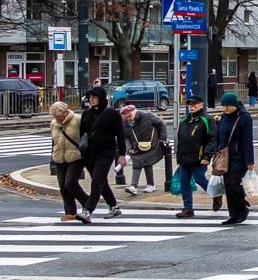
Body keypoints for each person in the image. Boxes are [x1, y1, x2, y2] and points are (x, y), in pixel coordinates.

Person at [75, 86, 124, 222]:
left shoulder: (112, 114)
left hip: (106, 152)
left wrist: (122, 154)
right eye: (90, 97)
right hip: (89, 153)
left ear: (102, 98)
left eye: (94, 97)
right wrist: (82, 152)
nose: (92, 99)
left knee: (97, 181)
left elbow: (120, 135)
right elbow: (82, 134)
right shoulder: (86, 114)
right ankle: (114, 206)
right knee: (101, 181)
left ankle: (88, 211)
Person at [211, 91, 254, 225]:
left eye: (228, 106)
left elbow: (247, 141)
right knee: (228, 186)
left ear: (235, 105)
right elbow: (220, 137)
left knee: (232, 183)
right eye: (224, 106)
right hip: (225, 158)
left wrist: (250, 161)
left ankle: (242, 207)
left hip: (238, 157)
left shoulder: (244, 117)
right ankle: (234, 214)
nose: (226, 108)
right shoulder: (224, 117)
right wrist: (217, 151)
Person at [172, 94, 214, 218]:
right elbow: (181, 140)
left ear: (201, 105)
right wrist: (179, 157)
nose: (192, 107)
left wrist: (207, 156)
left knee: (200, 179)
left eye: (194, 104)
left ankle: (215, 195)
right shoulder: (184, 121)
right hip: (185, 159)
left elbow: (212, 139)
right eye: (190, 105)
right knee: (184, 182)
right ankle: (188, 208)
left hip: (198, 158)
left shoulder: (206, 120)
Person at [48, 101, 85, 222]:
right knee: (63, 185)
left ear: (65, 112)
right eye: (54, 117)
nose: (56, 119)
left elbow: (86, 137)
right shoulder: (54, 123)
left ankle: (88, 203)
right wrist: (52, 155)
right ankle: (70, 212)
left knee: (70, 182)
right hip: (60, 157)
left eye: (58, 116)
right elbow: (54, 141)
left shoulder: (77, 120)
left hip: (76, 156)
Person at [122, 102, 169, 194]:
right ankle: (147, 185)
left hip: (152, 144)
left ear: (134, 112)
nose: (128, 119)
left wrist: (162, 138)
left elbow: (161, 123)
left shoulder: (147, 116)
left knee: (142, 163)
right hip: (137, 146)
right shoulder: (125, 122)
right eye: (126, 117)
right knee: (142, 163)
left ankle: (136, 186)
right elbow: (126, 136)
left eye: (129, 116)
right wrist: (129, 148)